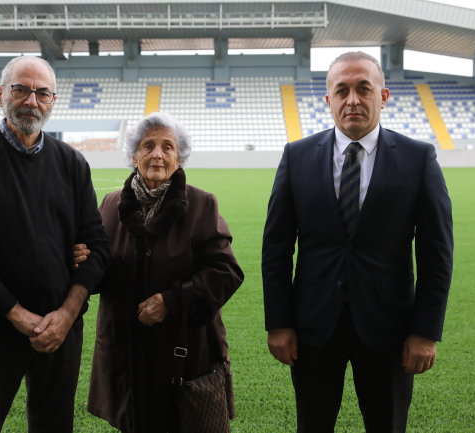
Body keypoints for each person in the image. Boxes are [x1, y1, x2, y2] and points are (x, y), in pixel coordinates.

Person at [262, 51, 453, 432]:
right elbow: (276, 248)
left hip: (390, 329)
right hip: (313, 328)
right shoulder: (296, 156)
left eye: (363, 89)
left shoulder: (418, 158)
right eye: (342, 90)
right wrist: (278, 323)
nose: (352, 100)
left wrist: (426, 332)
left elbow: (436, 254)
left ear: (382, 95)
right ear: (328, 99)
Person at [0, 55, 110, 432]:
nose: (32, 101)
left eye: (42, 93)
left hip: (60, 332)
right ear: (1, 94)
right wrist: (19, 316)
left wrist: (66, 315)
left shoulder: (72, 163)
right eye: (21, 90)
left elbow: (97, 246)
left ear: (53, 101)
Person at [75, 112, 243, 433]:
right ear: (134, 156)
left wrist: (172, 301)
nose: (157, 154)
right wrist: (82, 259)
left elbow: (226, 271)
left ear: (179, 159)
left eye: (167, 147)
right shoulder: (110, 205)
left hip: (182, 350)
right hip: (124, 349)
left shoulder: (201, 204)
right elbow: (99, 267)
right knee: (133, 421)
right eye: (148, 145)